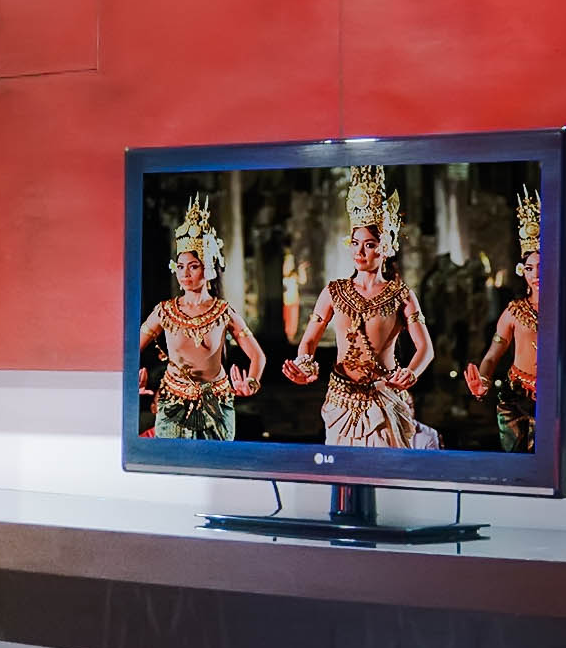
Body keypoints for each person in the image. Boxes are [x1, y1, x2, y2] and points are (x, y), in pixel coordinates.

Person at [291, 188, 436, 451]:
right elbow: (309, 341)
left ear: (386, 247)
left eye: (369, 245)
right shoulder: (333, 292)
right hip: (341, 402)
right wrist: (305, 364)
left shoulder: (400, 295)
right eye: (355, 243)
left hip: (384, 398)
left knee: (385, 472)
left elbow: (426, 348)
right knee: (342, 471)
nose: (360, 251)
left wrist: (411, 373)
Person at [135, 221, 267, 440]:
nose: (185, 273)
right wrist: (130, 380)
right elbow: (130, 351)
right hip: (172, 403)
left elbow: (258, 356)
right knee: (170, 460)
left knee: (215, 460)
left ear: (209, 268)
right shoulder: (164, 311)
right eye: (180, 267)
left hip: (216, 403)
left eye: (193, 266)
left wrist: (251, 383)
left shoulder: (223, 312)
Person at [463, 214, 544, 454]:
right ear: (522, 272)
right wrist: (483, 382)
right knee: (518, 462)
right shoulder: (514, 312)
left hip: (555, 398)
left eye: (543, 266)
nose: (536, 275)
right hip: (517, 401)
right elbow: (492, 356)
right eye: (529, 268)